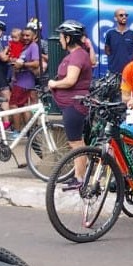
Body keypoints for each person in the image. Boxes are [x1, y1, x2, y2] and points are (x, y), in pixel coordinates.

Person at [47, 21, 94, 185]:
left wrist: (54, 84)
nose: (60, 40)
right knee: (76, 141)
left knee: (76, 142)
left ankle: (80, 178)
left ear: (68, 38)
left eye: (61, 36)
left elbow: (70, 80)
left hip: (74, 104)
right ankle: (80, 176)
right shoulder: (80, 54)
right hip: (74, 103)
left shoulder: (77, 55)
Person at [8, 23, 41, 130]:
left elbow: (36, 63)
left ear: (34, 36)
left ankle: (17, 131)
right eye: (24, 35)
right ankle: (28, 131)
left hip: (24, 82)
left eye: (28, 35)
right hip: (20, 81)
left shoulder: (34, 47)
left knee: (13, 105)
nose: (25, 37)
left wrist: (22, 64)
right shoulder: (25, 47)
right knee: (23, 107)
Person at [104, 8, 133, 77]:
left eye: (126, 15)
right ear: (115, 18)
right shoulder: (110, 33)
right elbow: (107, 51)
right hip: (113, 73)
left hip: (129, 73)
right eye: (121, 15)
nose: (124, 17)